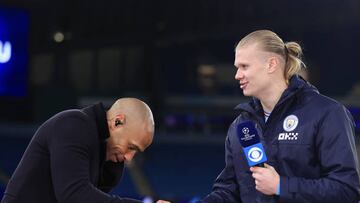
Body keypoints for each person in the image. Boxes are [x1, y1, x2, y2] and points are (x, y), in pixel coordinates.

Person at [200, 30, 360, 202]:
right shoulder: (242, 125)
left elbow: (346, 189)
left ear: (271, 64)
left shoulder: (327, 113)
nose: (237, 75)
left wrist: (281, 186)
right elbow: (229, 193)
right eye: (237, 68)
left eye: (244, 66)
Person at [1, 98, 169, 203]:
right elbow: (73, 195)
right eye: (131, 147)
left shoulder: (103, 153)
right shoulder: (74, 124)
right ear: (117, 122)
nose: (130, 157)